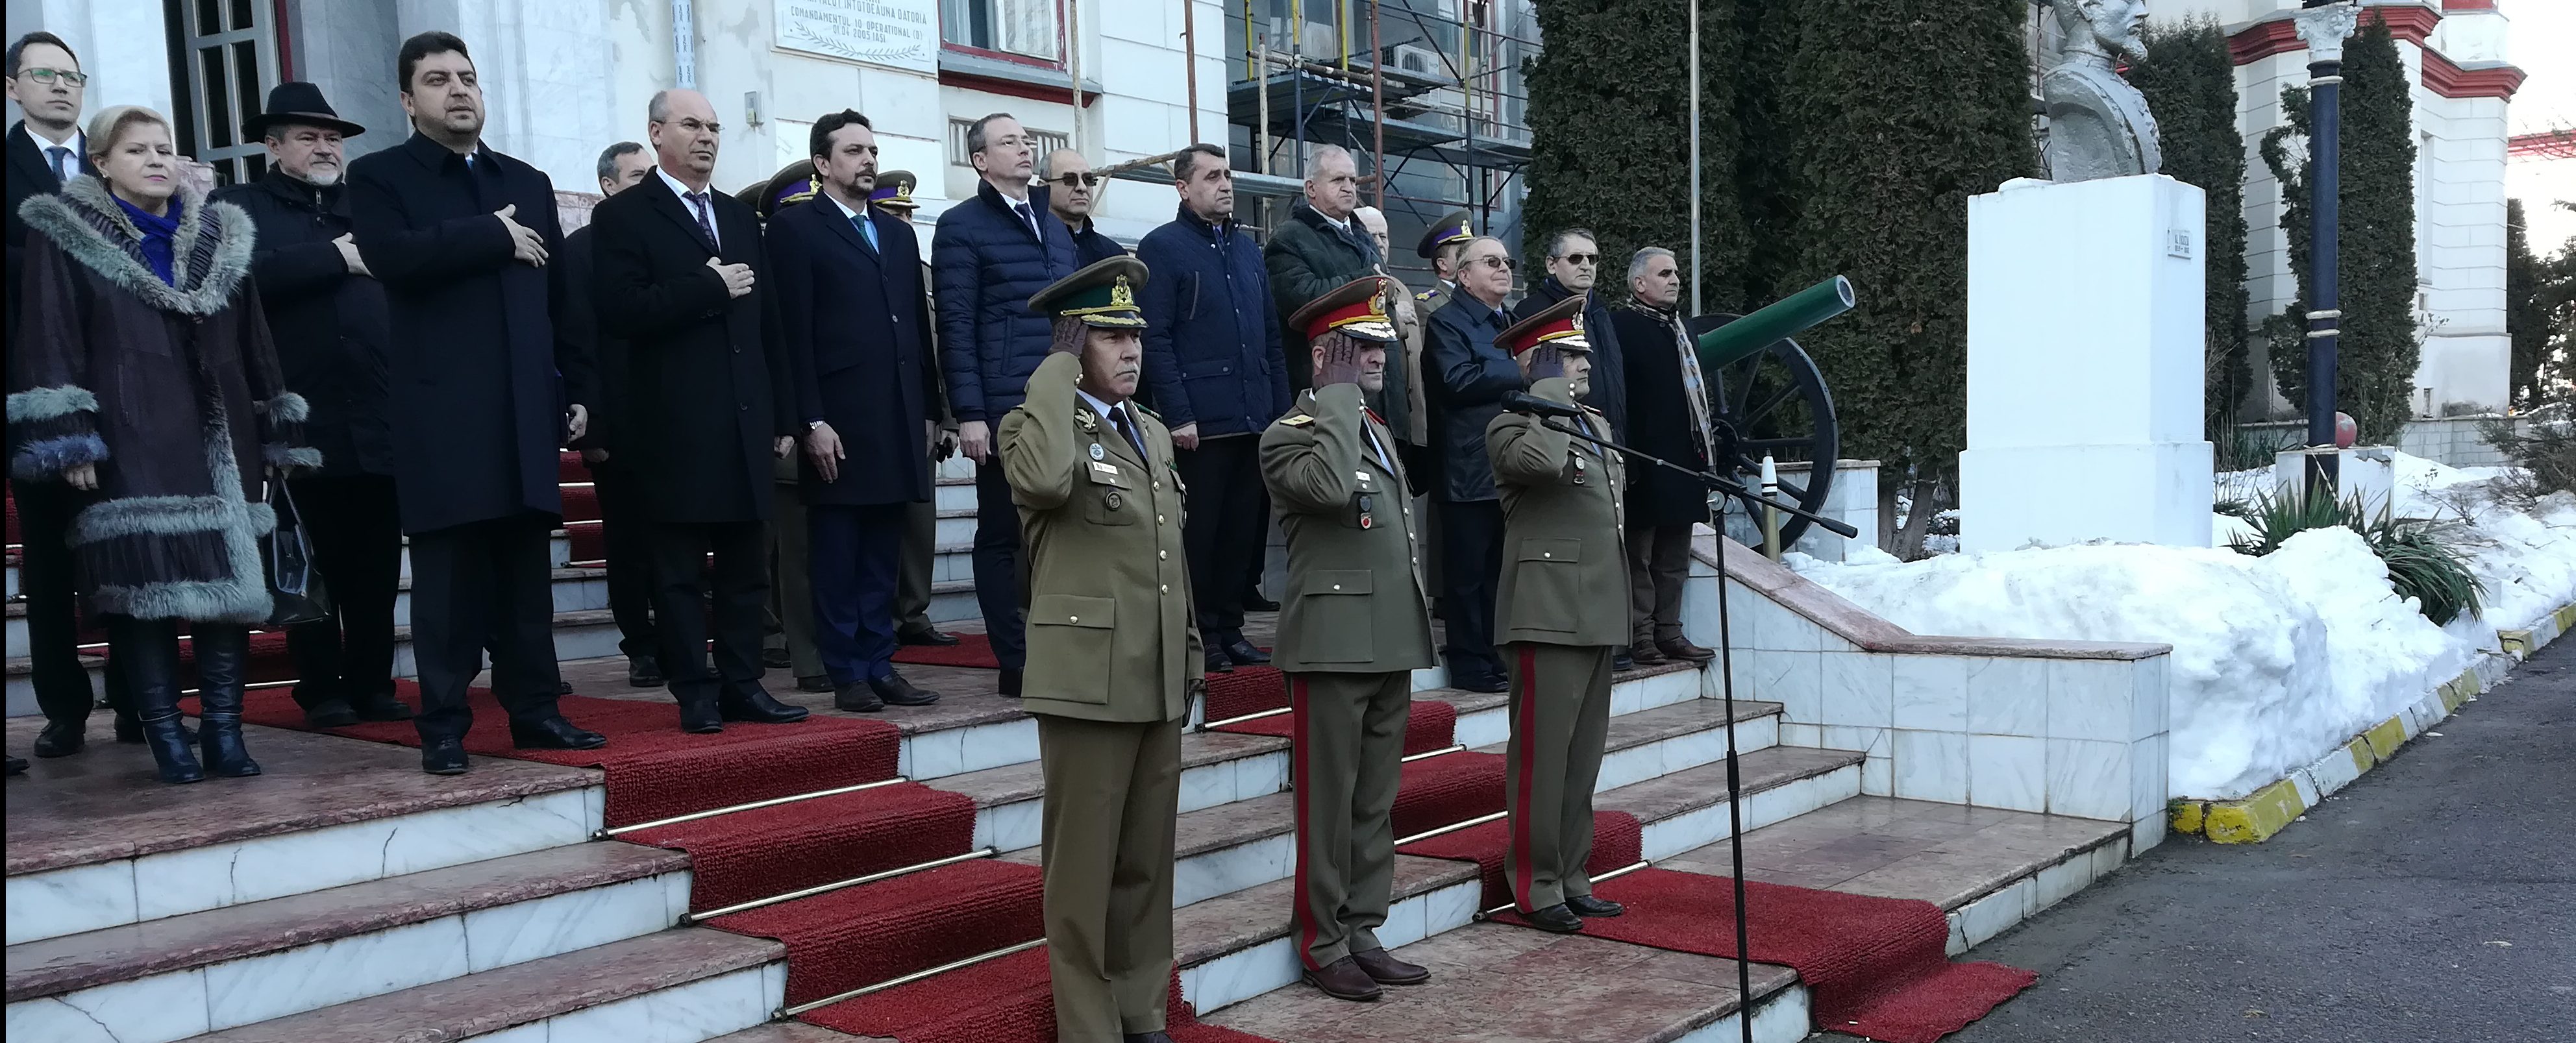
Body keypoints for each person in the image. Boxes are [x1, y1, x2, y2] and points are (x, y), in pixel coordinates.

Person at [10, 104, 314, 783]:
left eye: (165, 148)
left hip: (223, 434)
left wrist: (275, 431)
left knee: (230, 587)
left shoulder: (220, 233)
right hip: (129, 433)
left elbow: (255, 339)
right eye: (137, 149)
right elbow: (50, 337)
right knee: (143, 591)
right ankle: (167, 737)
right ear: (102, 163)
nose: (156, 160)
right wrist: (69, 438)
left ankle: (226, 736)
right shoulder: (64, 233)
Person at [348, 31, 605, 774]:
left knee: (525, 576)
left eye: (467, 78)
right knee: (450, 582)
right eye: (437, 80)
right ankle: (442, 724)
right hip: (442, 416)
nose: (458, 90)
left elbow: (563, 303)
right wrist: (489, 235)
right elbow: (390, 257)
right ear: (408, 100)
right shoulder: (380, 178)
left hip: (526, 409)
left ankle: (536, 711)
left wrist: (579, 386)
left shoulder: (525, 178)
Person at [1000, 256, 1200, 1043]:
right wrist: (1052, 367)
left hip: (1152, 674)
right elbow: (1047, 482)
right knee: (1081, 870)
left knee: (1145, 863)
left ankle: (1140, 1008)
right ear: (1074, 341)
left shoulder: (1148, 430)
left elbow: (1166, 558)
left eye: (1136, 336)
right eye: (1110, 335)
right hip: (1085, 678)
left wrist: (1187, 654)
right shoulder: (1035, 424)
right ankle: (1088, 1025)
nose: (1130, 349)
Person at [587, 88, 806, 734]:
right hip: (671, 426)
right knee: (679, 573)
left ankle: (743, 683)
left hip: (744, 422)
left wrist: (783, 414)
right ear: (656, 133)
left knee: (744, 570)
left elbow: (770, 325)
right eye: (691, 125)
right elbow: (620, 310)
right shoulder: (624, 217)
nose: (708, 137)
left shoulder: (738, 219)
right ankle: (695, 691)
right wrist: (705, 288)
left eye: (713, 127)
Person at [211, 83, 415, 729]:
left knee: (377, 565)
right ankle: (321, 685)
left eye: (332, 137)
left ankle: (375, 681)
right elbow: (238, 275)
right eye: (308, 136)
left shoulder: (369, 205)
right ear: (273, 147)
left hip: (379, 410)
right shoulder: (240, 205)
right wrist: (333, 258)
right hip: (299, 416)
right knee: (313, 559)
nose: (325, 146)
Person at [1260, 277, 1437, 1002]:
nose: (1376, 357)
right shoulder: (1290, 435)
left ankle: (1362, 926)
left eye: (1380, 346)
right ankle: (1320, 939)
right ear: (1322, 355)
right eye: (1358, 347)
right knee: (1327, 805)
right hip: (1330, 646)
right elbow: (1332, 491)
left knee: (1372, 802)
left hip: (1387, 639)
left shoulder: (1373, 428)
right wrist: (1335, 398)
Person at [767, 110, 945, 713]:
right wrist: (808, 419)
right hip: (838, 422)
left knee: (881, 555)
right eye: (853, 152)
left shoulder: (896, 234)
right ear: (823, 164)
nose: (868, 161)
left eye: (872, 150)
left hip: (895, 418)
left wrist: (928, 408)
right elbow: (792, 332)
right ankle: (843, 670)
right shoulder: (797, 231)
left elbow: (916, 329)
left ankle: (879, 663)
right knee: (837, 553)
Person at [1485, 293, 1629, 934]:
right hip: (1544, 611)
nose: (1584, 363)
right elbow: (1541, 465)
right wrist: (1545, 397)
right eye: (1569, 356)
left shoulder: (1592, 423)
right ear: (1539, 365)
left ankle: (1571, 872)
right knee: (1542, 758)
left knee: (1580, 757)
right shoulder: (1511, 426)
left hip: (1595, 606)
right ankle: (1534, 881)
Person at [932, 112, 1077, 697]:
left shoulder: (1055, 223)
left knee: (1062, 533)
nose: (1025, 148)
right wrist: (969, 412)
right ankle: (1015, 659)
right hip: (1002, 408)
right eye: (1009, 142)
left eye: (1026, 139)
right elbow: (957, 325)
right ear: (980, 160)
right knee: (1000, 535)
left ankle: (1060, 647)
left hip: (1063, 400)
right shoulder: (961, 225)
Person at [1135, 143, 1285, 675]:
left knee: (1241, 533)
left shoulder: (1247, 251)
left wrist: (1281, 414)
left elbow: (1270, 336)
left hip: (1252, 417)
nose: (1226, 185)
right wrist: (1177, 414)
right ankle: (1200, 633)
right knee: (1200, 535)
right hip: (1199, 423)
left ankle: (1230, 626)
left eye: (1228, 175)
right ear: (1183, 188)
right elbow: (1155, 340)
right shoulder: (1163, 248)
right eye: (1213, 176)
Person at [6, 31, 109, 765]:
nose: (60, 87)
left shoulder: (113, 167)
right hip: (30, 385)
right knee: (47, 558)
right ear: (13, 87)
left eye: (71, 76)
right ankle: (65, 708)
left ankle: (144, 701)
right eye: (44, 75)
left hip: (124, 384)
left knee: (134, 545)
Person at [564, 140, 663, 689]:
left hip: (672, 421)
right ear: (607, 185)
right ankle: (641, 645)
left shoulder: (665, 241)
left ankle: (681, 638)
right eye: (634, 177)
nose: (646, 184)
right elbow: (578, 340)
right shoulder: (581, 251)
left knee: (679, 538)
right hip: (618, 427)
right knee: (628, 543)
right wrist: (593, 427)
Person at [1605, 247, 1717, 667]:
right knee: (1640, 556)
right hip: (1642, 460)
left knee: (1674, 558)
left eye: (1676, 273)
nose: (1674, 279)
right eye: (1664, 273)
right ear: (1639, 283)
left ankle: (1670, 631)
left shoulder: (1681, 331)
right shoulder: (1620, 327)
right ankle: (1641, 634)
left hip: (1684, 460)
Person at [1421, 236, 1521, 694]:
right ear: (1464, 276)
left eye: (1507, 261)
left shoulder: (1514, 321)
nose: (1504, 268)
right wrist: (1523, 369)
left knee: (1498, 574)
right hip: (1467, 467)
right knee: (1465, 577)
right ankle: (1468, 664)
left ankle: (1494, 656)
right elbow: (1457, 380)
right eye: (1491, 262)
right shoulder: (1447, 322)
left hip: (1509, 466)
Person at [869, 169, 960, 650]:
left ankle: (913, 611)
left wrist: (945, 416)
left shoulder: (922, 272)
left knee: (921, 522)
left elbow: (937, 346)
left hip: (920, 411)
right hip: (876, 412)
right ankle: (881, 613)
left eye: (908, 213)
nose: (903, 221)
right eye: (894, 213)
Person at [1263, 144, 1378, 393]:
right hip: (1326, 382)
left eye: (1352, 179)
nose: (1349, 187)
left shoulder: (1362, 233)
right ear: (1311, 189)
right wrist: (1366, 281)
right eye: (1338, 179)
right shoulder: (1288, 238)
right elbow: (1301, 298)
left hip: (1375, 378)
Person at [1513, 228, 1626, 441]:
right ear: (1551, 265)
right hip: (1562, 437)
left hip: (1610, 436)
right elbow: (1528, 380)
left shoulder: (1600, 312)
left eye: (1592, 259)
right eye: (1575, 258)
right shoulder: (1532, 312)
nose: (1586, 265)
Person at [1351, 205, 1428, 466]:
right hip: (1368, 410)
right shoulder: (1354, 288)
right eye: (1371, 236)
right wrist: (1397, 322)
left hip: (1402, 417)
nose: (1379, 243)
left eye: (1383, 236)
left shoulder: (1403, 290)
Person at [1041, 148, 1124, 267]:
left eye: (1088, 180)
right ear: (1043, 188)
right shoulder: (1028, 246)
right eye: (1070, 179)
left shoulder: (1113, 255)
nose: (1082, 188)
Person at [1412, 208, 1472, 315]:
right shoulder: (1429, 305)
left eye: (1469, 250)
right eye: (1461, 252)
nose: (1468, 257)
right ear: (1443, 264)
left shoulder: (1478, 296)